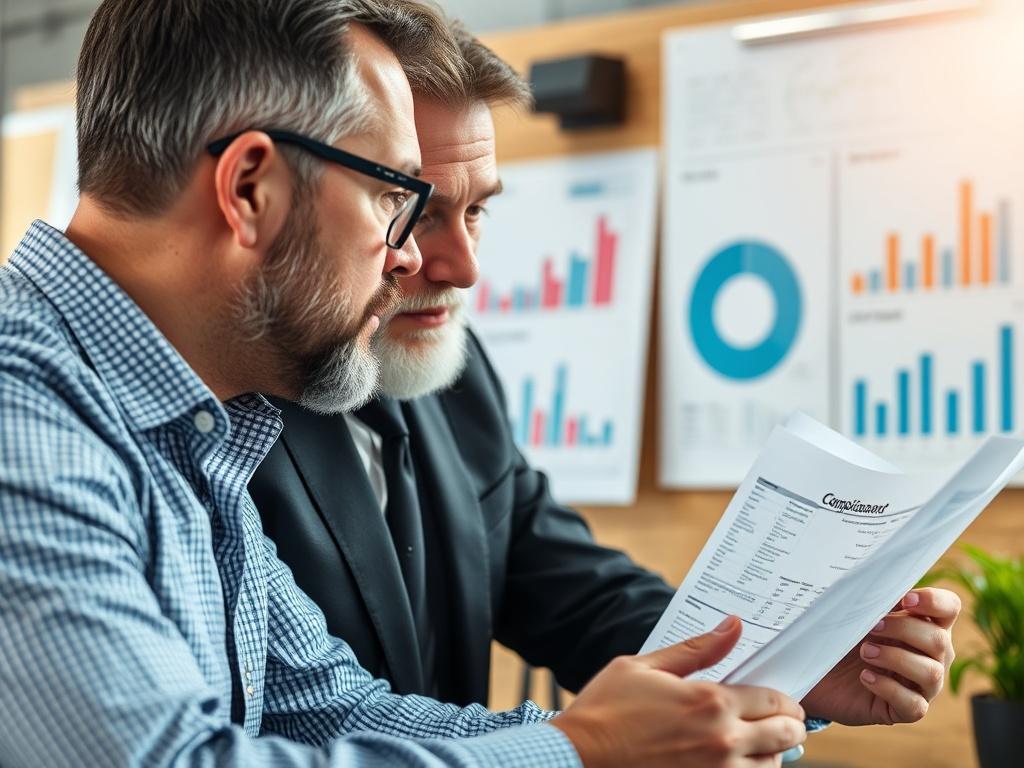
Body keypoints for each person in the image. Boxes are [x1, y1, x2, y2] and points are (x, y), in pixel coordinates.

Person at [0, 1, 812, 766]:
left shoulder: (196, 429)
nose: (412, 257)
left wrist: (631, 732)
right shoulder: (23, 420)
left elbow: (331, 707)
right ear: (251, 188)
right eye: (396, 196)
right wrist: (582, 750)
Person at [250, 16, 962, 735]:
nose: (464, 267)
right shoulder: (227, 408)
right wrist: (582, 747)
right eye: (415, 211)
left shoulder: (454, 373)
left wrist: (790, 662)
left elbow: (569, 589)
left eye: (478, 210)